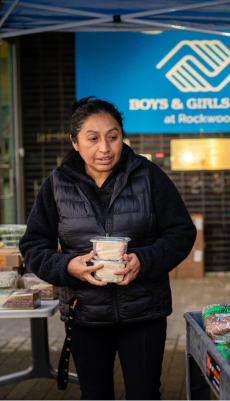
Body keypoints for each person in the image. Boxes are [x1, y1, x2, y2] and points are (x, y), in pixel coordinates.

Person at [19, 97, 197, 401]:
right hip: (85, 313)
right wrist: (67, 268)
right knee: (95, 395)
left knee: (144, 395)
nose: (105, 147)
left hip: (144, 311)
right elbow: (34, 245)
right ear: (75, 142)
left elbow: (181, 232)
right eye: (93, 138)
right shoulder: (56, 184)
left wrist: (145, 259)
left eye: (113, 137)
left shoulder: (149, 176)